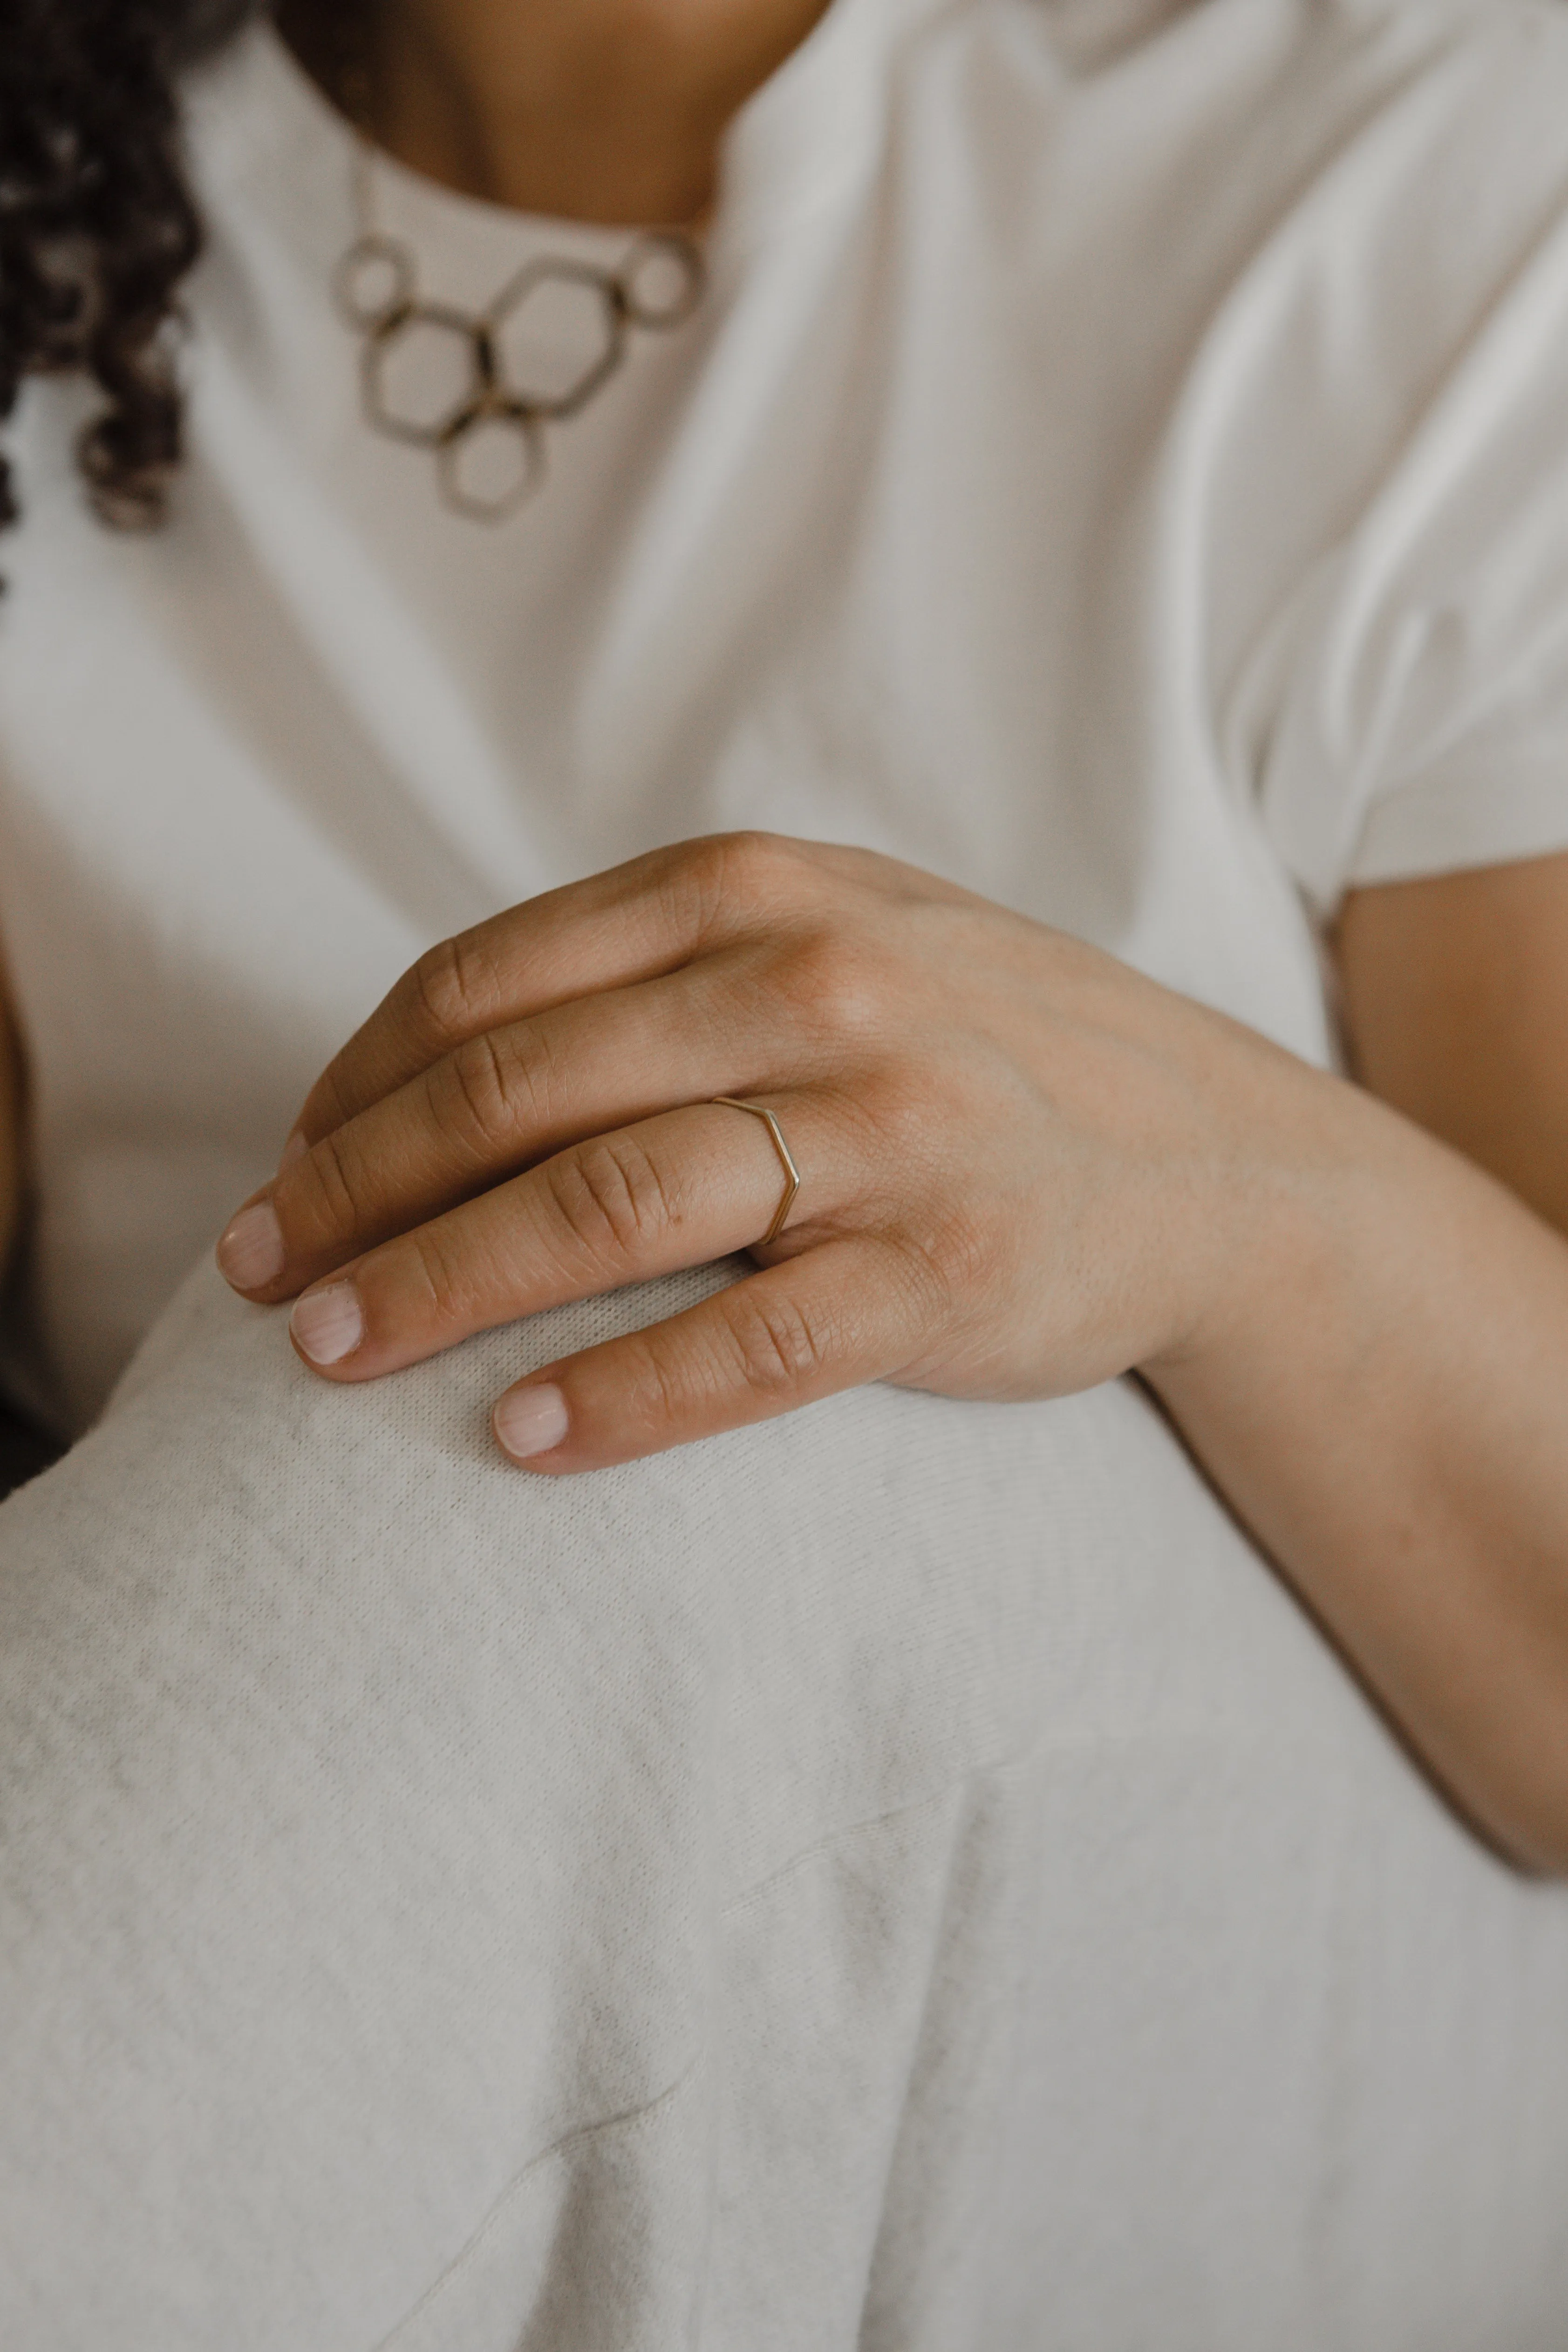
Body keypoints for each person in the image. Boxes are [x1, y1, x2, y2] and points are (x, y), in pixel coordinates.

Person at [4, 0, 1568, 2340]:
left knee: (619, 1353)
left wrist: (1217, 1188)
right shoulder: (63, 210)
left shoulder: (1419, 171)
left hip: (1333, 2006)